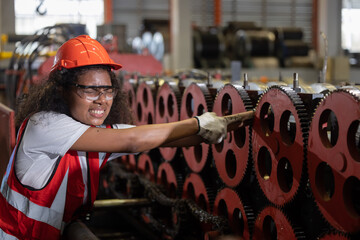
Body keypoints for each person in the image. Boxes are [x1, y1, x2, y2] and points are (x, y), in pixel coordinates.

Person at [0, 35, 254, 240]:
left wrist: (229, 124)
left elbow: (163, 138)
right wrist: (197, 123)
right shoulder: (44, 124)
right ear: (61, 91)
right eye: (89, 90)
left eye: (107, 89)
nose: (101, 100)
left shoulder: (91, 135)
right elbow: (134, 140)